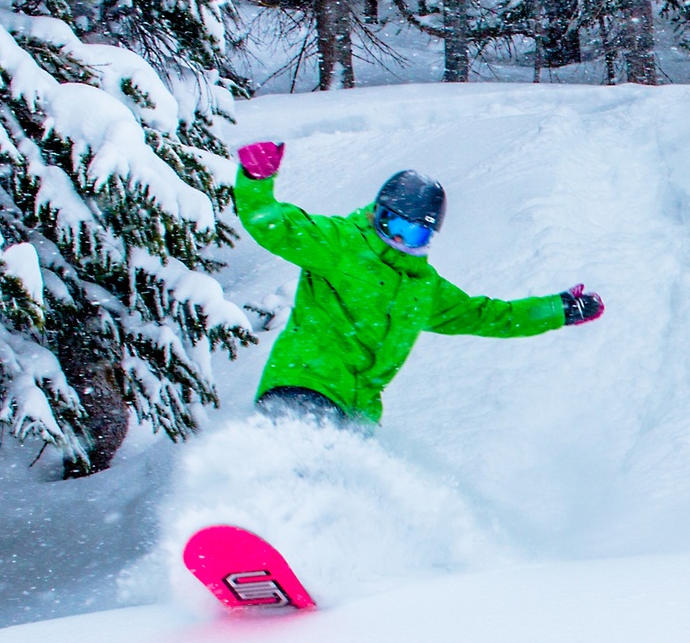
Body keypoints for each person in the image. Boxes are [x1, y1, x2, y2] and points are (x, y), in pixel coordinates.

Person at [231, 140, 603, 429]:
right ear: (378, 213)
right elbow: (273, 225)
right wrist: (256, 182)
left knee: (348, 489)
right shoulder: (339, 243)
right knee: (303, 460)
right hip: (305, 386)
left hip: (358, 411)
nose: (403, 242)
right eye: (397, 227)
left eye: (418, 233)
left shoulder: (422, 288)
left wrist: (556, 310)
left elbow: (487, 316)